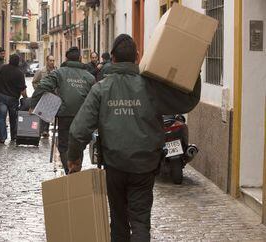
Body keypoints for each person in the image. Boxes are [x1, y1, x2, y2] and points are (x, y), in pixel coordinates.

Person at [67, 34, 201, 241]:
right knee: (140, 222)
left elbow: (78, 131)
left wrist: (74, 159)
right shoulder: (151, 87)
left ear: (112, 58)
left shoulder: (101, 89)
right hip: (144, 167)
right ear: (137, 57)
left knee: (118, 222)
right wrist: (193, 70)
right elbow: (186, 102)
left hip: (115, 166)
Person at [31, 47, 95, 174]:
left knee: (64, 145)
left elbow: (43, 85)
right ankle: (76, 169)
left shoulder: (58, 73)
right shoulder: (89, 77)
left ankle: (69, 171)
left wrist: (34, 104)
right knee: (78, 145)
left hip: (65, 115)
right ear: (80, 59)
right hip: (82, 116)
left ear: (66, 58)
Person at [0, 54, 27, 144]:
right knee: (13, 118)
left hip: (1, 97)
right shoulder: (19, 73)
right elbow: (23, 90)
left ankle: (2, 138)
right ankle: (13, 136)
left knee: (1, 118)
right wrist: (26, 99)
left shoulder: (2, 68)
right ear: (18, 62)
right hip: (13, 99)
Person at [32, 55, 56, 138]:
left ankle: (45, 130)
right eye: (50, 60)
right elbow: (34, 82)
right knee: (41, 113)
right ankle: (42, 130)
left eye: (53, 60)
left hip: (52, 96)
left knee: (48, 113)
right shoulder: (41, 71)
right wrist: (39, 90)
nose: (52, 62)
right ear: (47, 61)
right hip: (42, 95)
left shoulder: (56, 71)